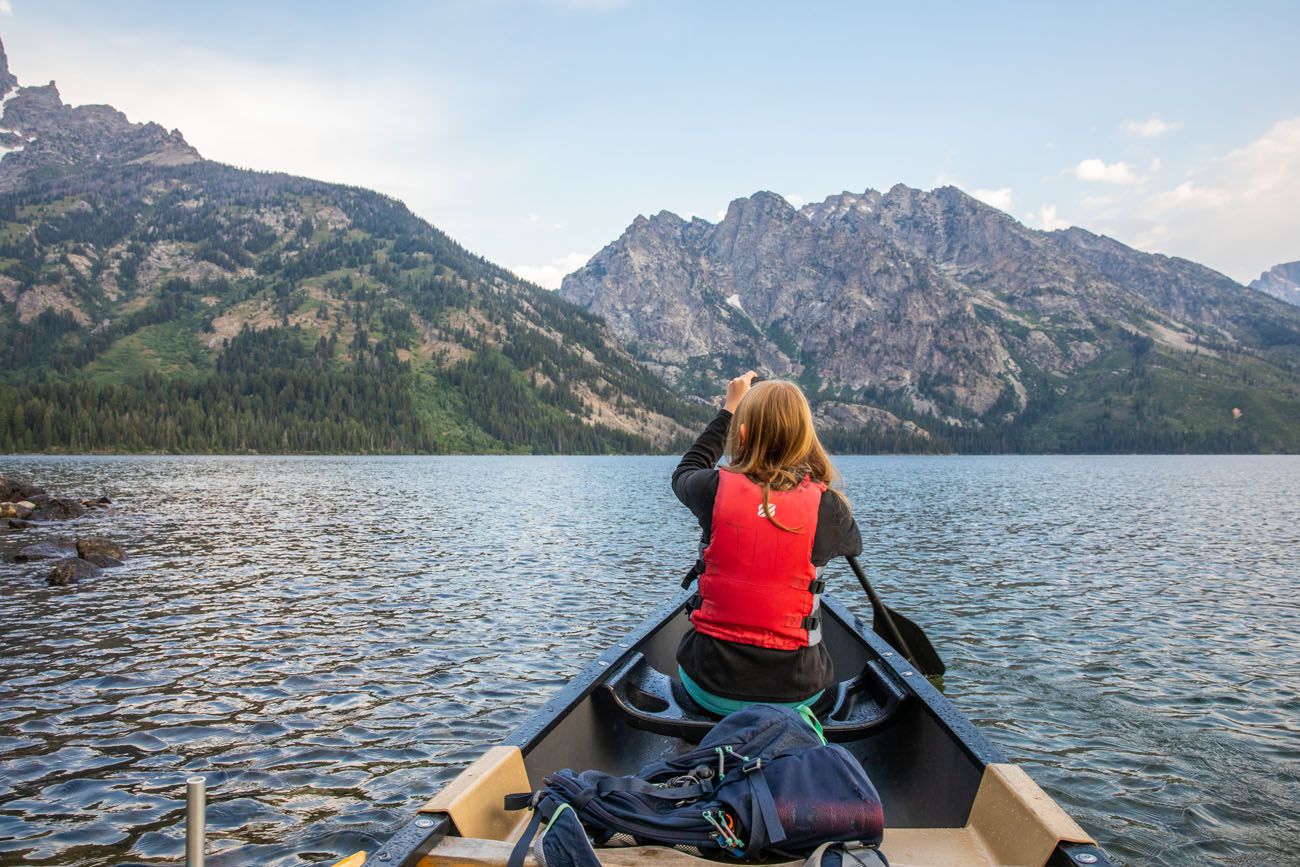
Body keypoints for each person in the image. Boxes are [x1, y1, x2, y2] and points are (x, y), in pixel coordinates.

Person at [672, 370, 862, 716]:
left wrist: (729, 407)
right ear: (805, 440)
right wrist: (810, 484)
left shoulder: (711, 490)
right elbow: (852, 545)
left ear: (741, 435)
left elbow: (687, 468)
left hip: (709, 688)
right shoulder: (829, 507)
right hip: (796, 695)